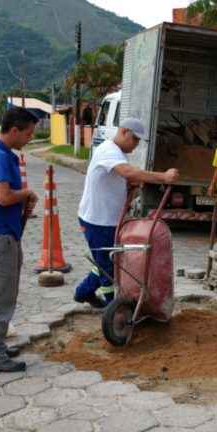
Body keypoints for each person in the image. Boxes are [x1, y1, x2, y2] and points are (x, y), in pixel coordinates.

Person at [75, 118, 179, 308]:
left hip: (109, 219)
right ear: (123, 131)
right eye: (135, 140)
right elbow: (128, 172)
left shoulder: (117, 153)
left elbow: (124, 178)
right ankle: (113, 309)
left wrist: (130, 190)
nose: (136, 145)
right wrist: (163, 177)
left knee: (107, 261)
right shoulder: (108, 150)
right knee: (109, 267)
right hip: (98, 220)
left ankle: (83, 291)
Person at [0, 106, 39, 372]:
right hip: (1, 237)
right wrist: (25, 194)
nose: (30, 139)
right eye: (28, 134)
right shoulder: (0, 158)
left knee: (1, 296)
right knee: (1, 299)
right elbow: (3, 197)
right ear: (14, 130)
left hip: (2, 235)